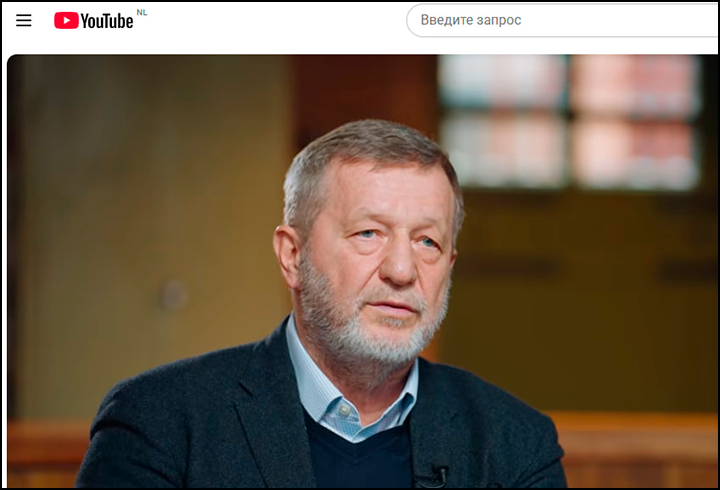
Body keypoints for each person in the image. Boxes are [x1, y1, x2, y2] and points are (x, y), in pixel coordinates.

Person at [76, 119, 566, 488]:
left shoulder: (515, 442)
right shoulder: (160, 422)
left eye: (427, 242)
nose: (402, 270)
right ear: (293, 256)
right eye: (368, 233)